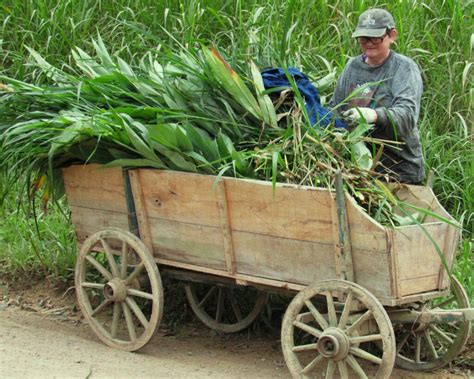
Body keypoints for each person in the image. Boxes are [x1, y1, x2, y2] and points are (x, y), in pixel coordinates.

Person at [331, 8, 424, 184]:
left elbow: (408, 116)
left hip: (399, 170)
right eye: (363, 38)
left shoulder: (403, 68)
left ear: (392, 35)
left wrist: (373, 115)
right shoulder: (352, 67)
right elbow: (335, 106)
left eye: (375, 37)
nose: (369, 43)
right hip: (358, 168)